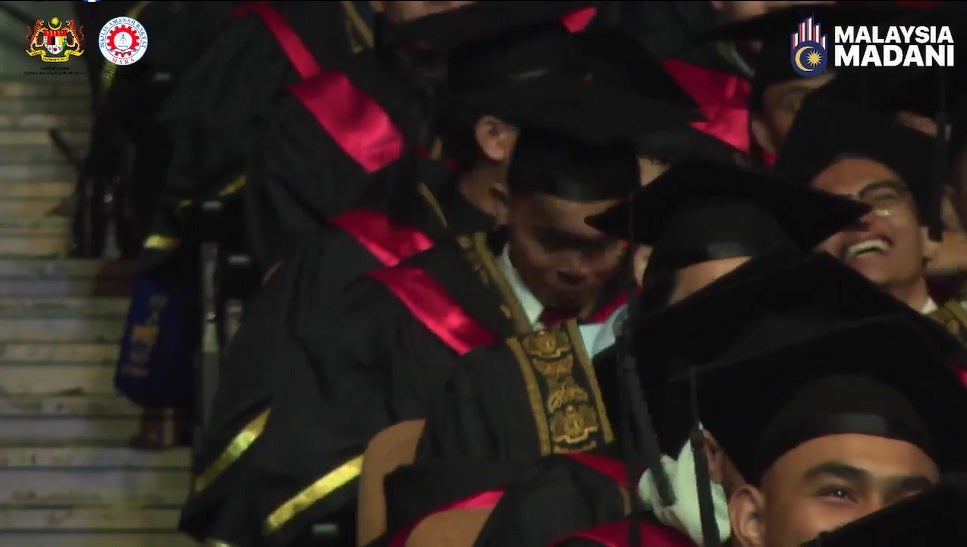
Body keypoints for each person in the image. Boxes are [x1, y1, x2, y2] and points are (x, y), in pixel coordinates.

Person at [179, 19, 696, 545]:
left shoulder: (648, 321)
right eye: (551, 241)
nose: (575, 267)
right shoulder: (397, 313)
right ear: (501, 208)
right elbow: (302, 472)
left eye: (600, 247)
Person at [380, 158, 871, 546]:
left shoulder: (852, 494)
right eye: (714, 316)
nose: (747, 344)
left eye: (770, 315)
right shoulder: (578, 505)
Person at [774, 96, 967, 345]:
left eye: (882, 200)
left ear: (928, 239)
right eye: (829, 210)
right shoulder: (809, 372)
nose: (860, 216)